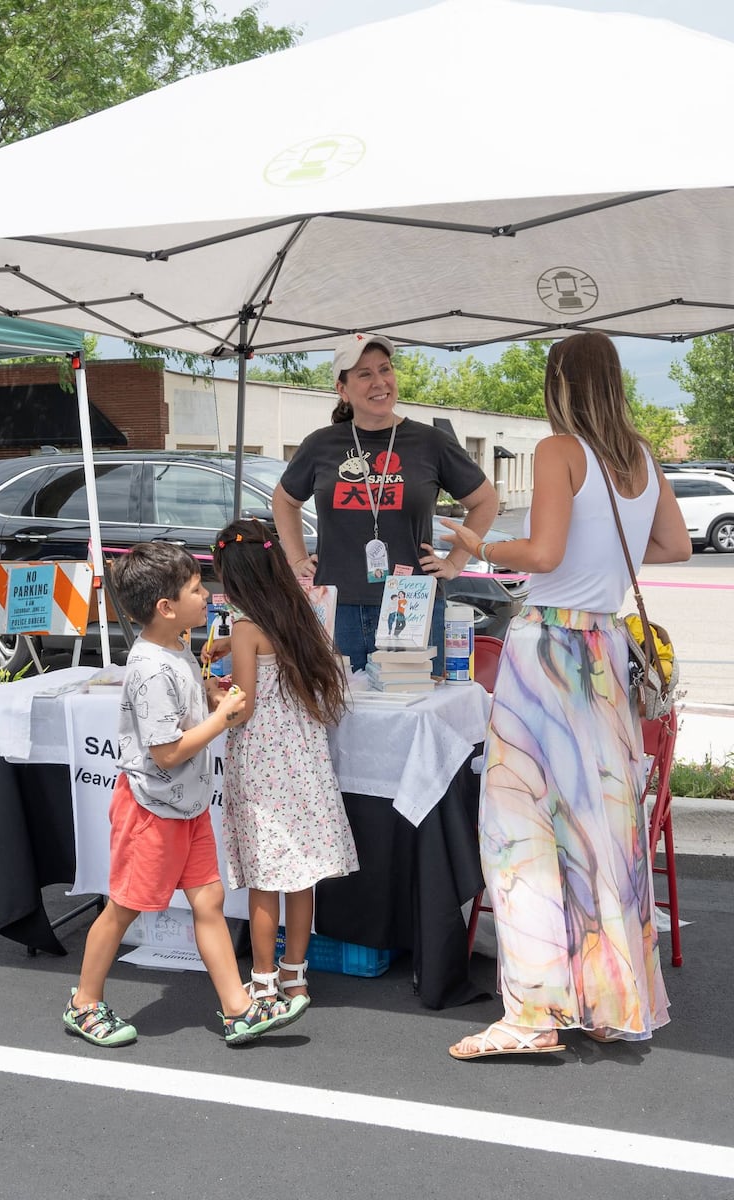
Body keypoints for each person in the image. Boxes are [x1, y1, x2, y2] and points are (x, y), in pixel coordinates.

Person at [439, 332, 691, 1059]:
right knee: (600, 835)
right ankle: (607, 998)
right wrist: (602, 550)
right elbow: (673, 546)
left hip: (547, 648)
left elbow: (541, 556)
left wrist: (481, 545)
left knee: (519, 831)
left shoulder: (559, 451)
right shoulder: (641, 457)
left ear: (558, 382)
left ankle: (533, 1014)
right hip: (605, 654)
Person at [62, 542, 305, 1048]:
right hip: (153, 808)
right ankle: (84, 1003)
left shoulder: (177, 647)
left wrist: (210, 698)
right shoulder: (152, 667)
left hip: (185, 806)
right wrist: (222, 718)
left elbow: (179, 724)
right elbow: (167, 752)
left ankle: (238, 1008)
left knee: (209, 900)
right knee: (125, 906)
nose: (208, 595)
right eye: (196, 589)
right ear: (165, 608)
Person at [271, 332, 498, 674]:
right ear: (342, 390)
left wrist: (455, 562)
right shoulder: (320, 445)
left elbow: (484, 501)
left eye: (385, 369)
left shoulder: (431, 442)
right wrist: (297, 558)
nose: (380, 382)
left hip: (413, 605)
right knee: (341, 714)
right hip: (337, 607)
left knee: (415, 712)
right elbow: (284, 499)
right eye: (364, 374)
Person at [207, 518, 359, 1012]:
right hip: (303, 759)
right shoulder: (297, 616)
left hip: (262, 765)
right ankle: (296, 979)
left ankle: (264, 982)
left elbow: (243, 706)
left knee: (264, 878)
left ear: (234, 579)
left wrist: (214, 690)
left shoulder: (247, 626)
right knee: (300, 875)